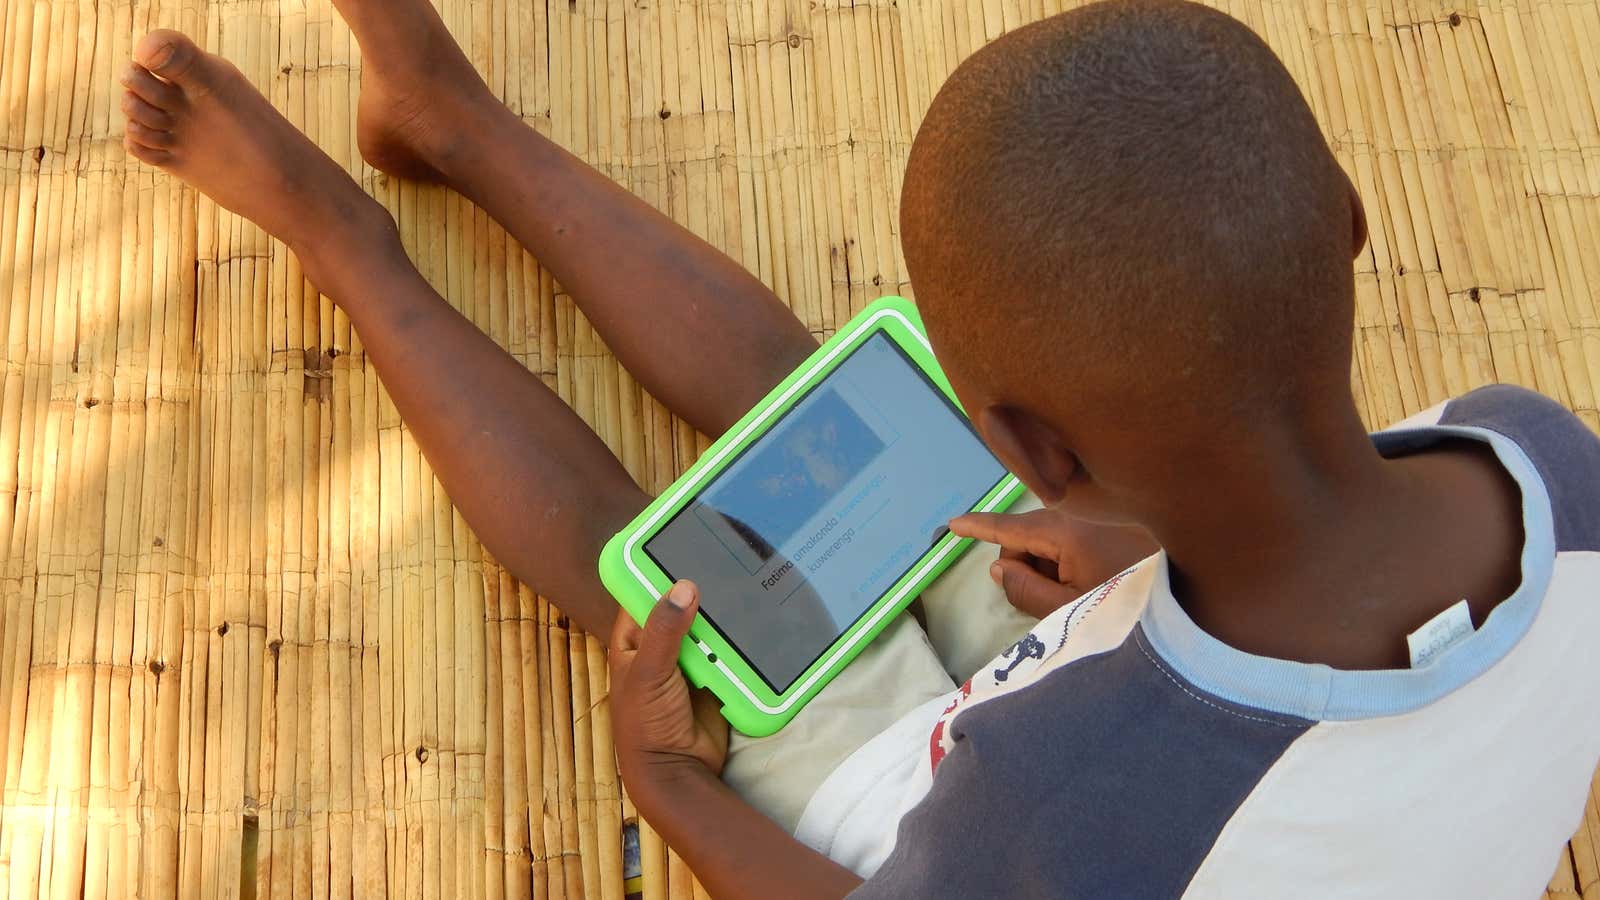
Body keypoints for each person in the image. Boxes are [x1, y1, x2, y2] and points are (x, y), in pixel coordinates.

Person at [118, 0, 1599, 894]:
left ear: (1034, 443)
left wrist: (671, 787)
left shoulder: (1049, 806)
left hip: (979, 818)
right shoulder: (1549, 463)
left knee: (662, 591)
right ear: (1349, 218)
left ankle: (353, 244)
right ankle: (449, 123)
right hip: (1168, 680)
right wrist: (1132, 553)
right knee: (847, 447)